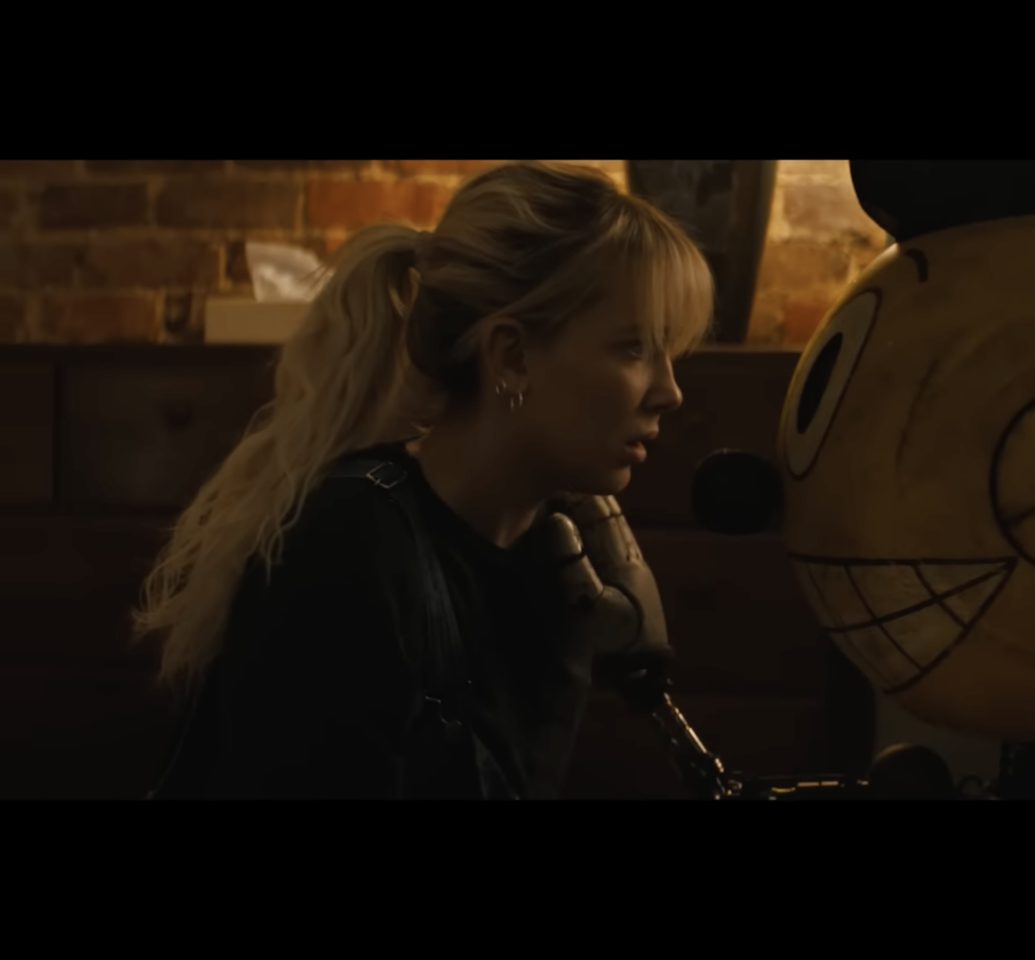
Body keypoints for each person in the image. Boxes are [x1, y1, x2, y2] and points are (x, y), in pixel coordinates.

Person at [132, 160, 714, 799]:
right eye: (634, 348)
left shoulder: (552, 553)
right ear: (512, 355)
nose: (670, 391)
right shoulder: (352, 546)